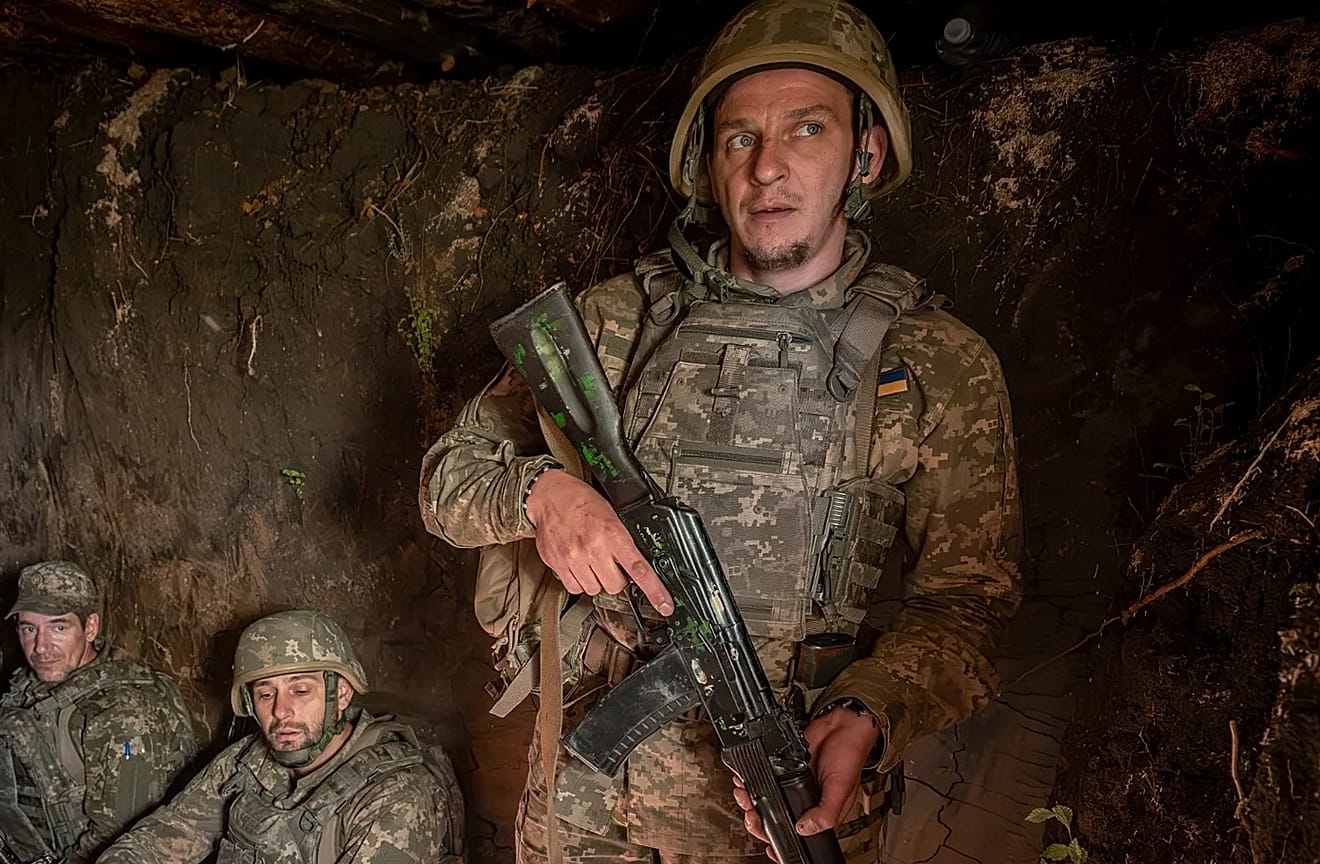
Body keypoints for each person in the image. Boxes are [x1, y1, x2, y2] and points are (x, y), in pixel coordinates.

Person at [418, 0, 1023, 860]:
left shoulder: (935, 364)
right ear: (709, 161)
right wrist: (542, 493)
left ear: (868, 153)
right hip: (587, 813)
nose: (768, 168)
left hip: (791, 809)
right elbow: (447, 480)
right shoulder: (614, 324)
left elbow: (971, 605)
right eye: (741, 138)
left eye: (807, 130)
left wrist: (870, 712)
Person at [0, 560, 197, 864]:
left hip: (89, 857)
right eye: (29, 629)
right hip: (18, 841)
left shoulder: (126, 714)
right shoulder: (33, 685)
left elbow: (122, 843)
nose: (41, 648)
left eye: (58, 628)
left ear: (91, 627)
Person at [96, 609, 464, 864]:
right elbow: (168, 834)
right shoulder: (250, 760)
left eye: (300, 691)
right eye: (265, 694)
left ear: (343, 694)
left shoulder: (397, 796)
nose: (280, 711)